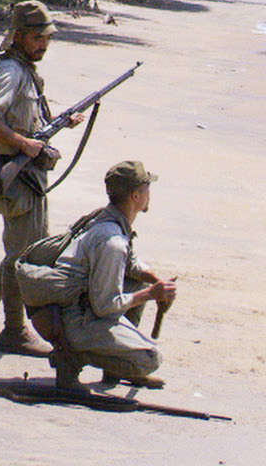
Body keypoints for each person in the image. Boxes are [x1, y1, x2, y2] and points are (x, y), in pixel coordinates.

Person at [0, 0, 78, 356]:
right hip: (15, 176)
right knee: (22, 256)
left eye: (47, 38)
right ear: (19, 36)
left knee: (26, 249)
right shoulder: (11, 72)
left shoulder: (25, 69)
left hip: (28, 176)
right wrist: (24, 143)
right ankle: (14, 330)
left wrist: (55, 125)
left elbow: (24, 120)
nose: (44, 44)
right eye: (38, 38)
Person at [34, 160, 177, 389]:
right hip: (71, 321)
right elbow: (105, 306)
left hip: (66, 308)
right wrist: (152, 294)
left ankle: (114, 367)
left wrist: (154, 280)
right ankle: (71, 358)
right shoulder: (112, 242)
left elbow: (130, 263)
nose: (150, 193)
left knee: (136, 282)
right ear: (135, 196)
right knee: (149, 359)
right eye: (146, 188)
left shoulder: (106, 218)